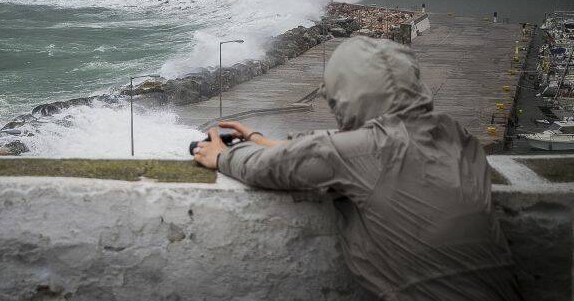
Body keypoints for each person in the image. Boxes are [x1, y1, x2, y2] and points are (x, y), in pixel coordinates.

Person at [193, 36, 523, 301]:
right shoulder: (458, 138)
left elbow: (269, 168)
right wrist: (257, 137)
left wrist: (221, 156)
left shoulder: (359, 153)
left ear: (346, 98)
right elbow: (349, 150)